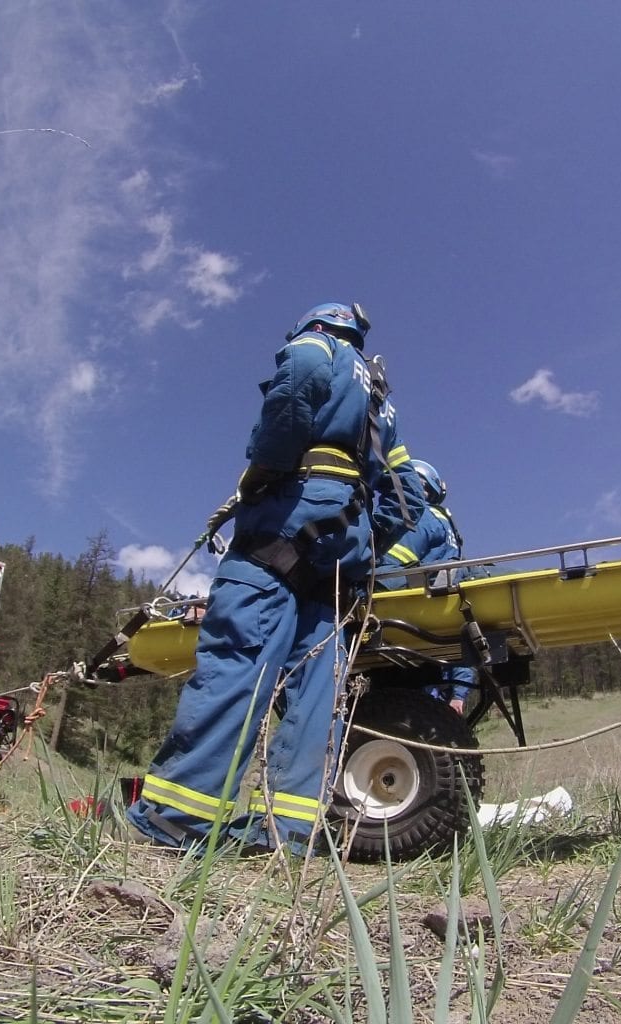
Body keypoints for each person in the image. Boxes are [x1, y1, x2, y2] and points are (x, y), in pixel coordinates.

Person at [126, 301, 426, 855]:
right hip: (341, 557)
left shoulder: (318, 346)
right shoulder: (383, 403)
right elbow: (405, 495)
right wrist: (358, 534)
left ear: (316, 322)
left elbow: (294, 390)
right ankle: (289, 832)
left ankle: (176, 818)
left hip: (282, 523)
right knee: (317, 692)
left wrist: (267, 472)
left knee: (238, 661)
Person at [374, 459, 475, 714]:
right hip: (435, 644)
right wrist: (460, 692)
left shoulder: (420, 518)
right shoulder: (446, 526)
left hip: (405, 629)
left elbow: (387, 570)